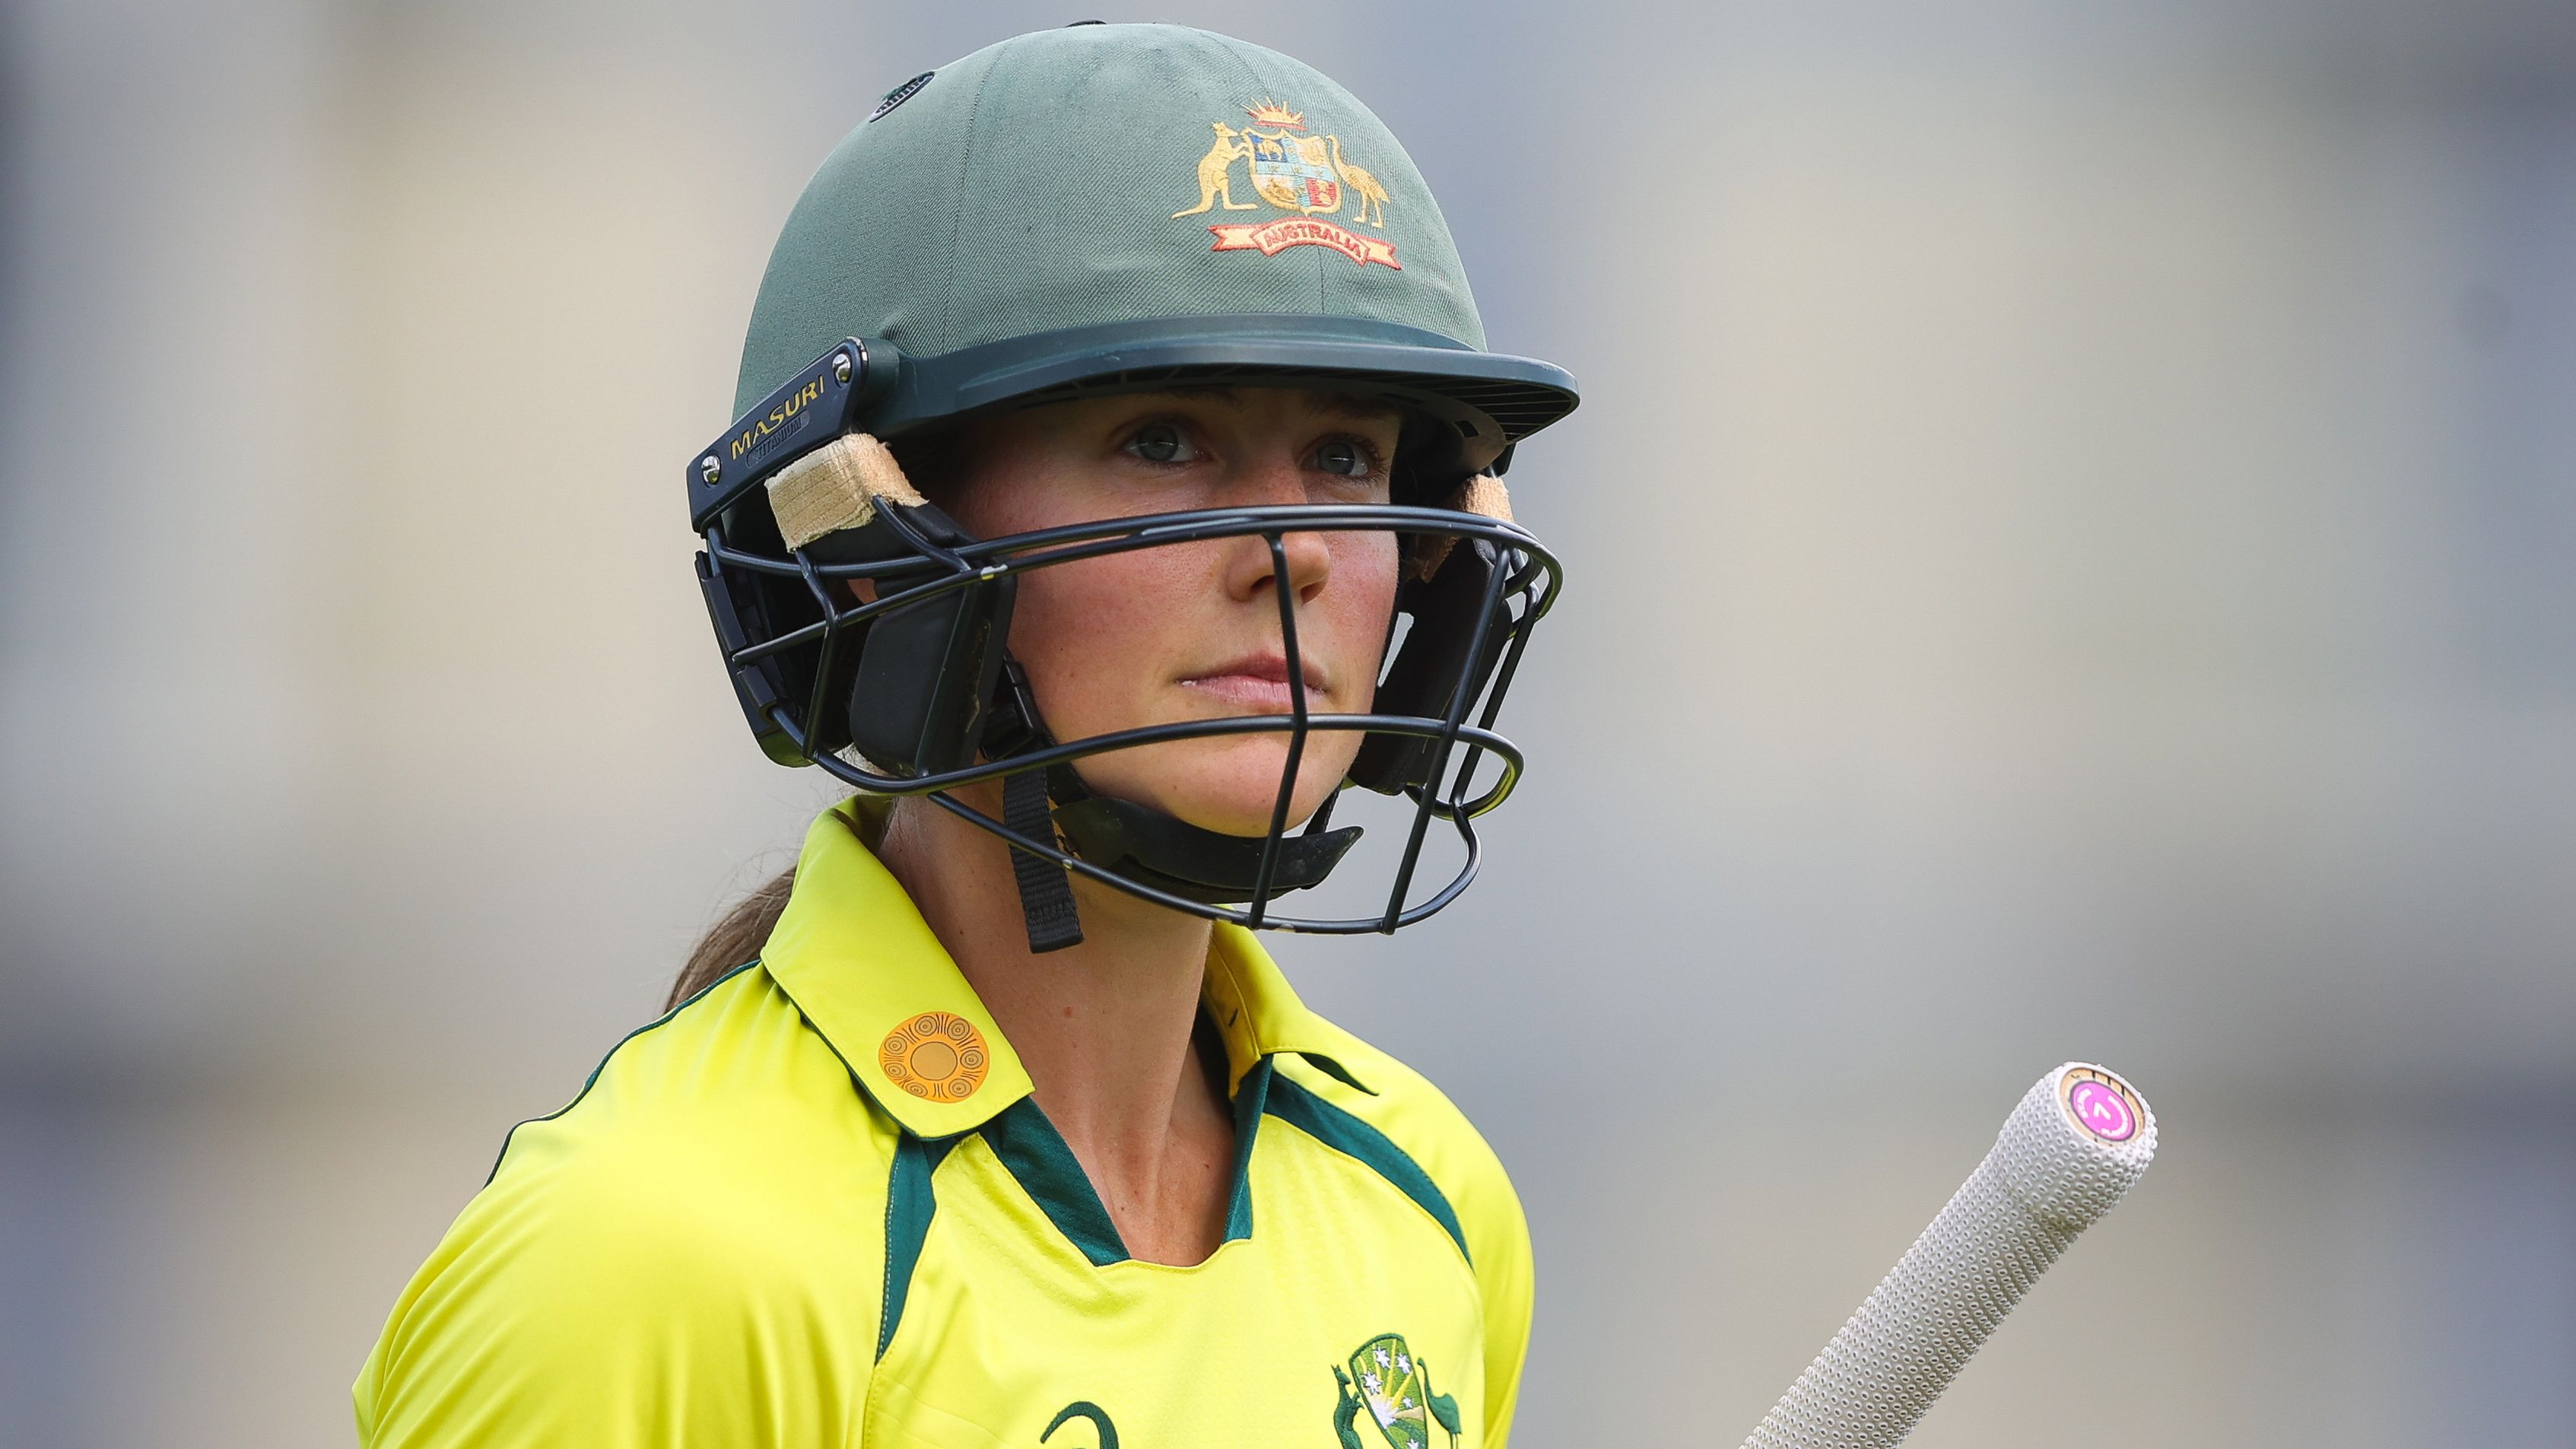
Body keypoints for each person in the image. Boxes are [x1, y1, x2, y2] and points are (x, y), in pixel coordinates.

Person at [354, 23, 1578, 1448]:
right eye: (1167, 439)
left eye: (1349, 457)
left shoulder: (1428, 1197)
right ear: (877, 538)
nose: (1296, 550)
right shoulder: (643, 1263)